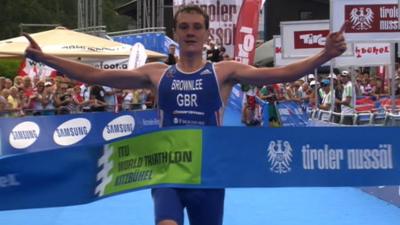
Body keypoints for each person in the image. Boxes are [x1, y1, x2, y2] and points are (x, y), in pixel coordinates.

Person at [24, 5, 347, 225]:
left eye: (196, 27)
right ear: (175, 33)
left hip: (208, 173)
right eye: (183, 27)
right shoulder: (155, 74)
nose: (190, 32)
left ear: (206, 34)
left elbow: (284, 73)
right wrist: (47, 59)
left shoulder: (224, 72)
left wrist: (324, 55)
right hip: (167, 172)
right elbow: (96, 77)